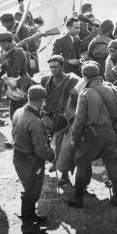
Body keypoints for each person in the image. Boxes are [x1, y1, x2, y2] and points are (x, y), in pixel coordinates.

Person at [68, 62, 117, 208]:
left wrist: (75, 139)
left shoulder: (85, 93)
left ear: (84, 76)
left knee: (81, 163)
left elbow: (79, 120)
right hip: (109, 132)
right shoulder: (111, 89)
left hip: (92, 135)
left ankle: (78, 198)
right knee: (112, 163)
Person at [11, 86, 55, 234]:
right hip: (31, 161)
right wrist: (51, 155)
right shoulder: (35, 121)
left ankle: (31, 216)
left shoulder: (18, 111)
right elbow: (40, 150)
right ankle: (28, 226)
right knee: (32, 192)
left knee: (31, 189)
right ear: (42, 100)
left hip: (19, 157)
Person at [40, 55, 80, 186]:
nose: (53, 70)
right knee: (44, 144)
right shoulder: (45, 80)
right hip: (48, 117)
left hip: (65, 119)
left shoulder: (72, 81)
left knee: (62, 147)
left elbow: (78, 100)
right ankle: (55, 162)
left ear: (62, 67)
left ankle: (64, 175)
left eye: (56, 67)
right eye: (51, 67)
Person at [0, 31, 33, 119]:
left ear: (7, 42)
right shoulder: (5, 50)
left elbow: (15, 73)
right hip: (11, 86)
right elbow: (2, 66)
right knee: (13, 115)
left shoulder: (18, 52)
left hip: (21, 85)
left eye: (1, 43)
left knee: (21, 115)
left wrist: (4, 62)